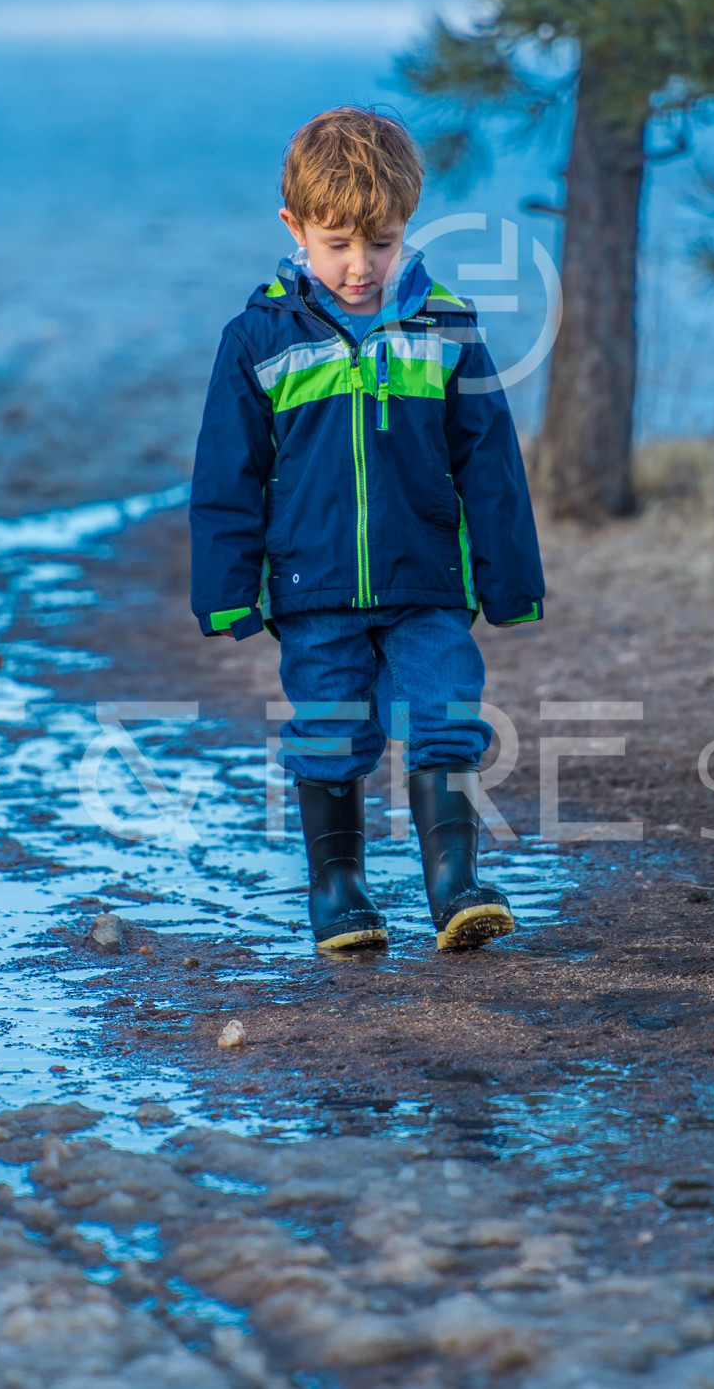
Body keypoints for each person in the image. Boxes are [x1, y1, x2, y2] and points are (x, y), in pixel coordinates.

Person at [190, 105, 545, 954]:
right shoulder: (258, 339)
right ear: (296, 229)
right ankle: (339, 890)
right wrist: (227, 589)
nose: (360, 265)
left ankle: (453, 883)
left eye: (380, 243)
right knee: (329, 727)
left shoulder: (446, 327)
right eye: (338, 242)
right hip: (313, 588)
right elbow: (225, 472)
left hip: (427, 578)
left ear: (406, 227)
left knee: (445, 711)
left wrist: (510, 580)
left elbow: (489, 463)